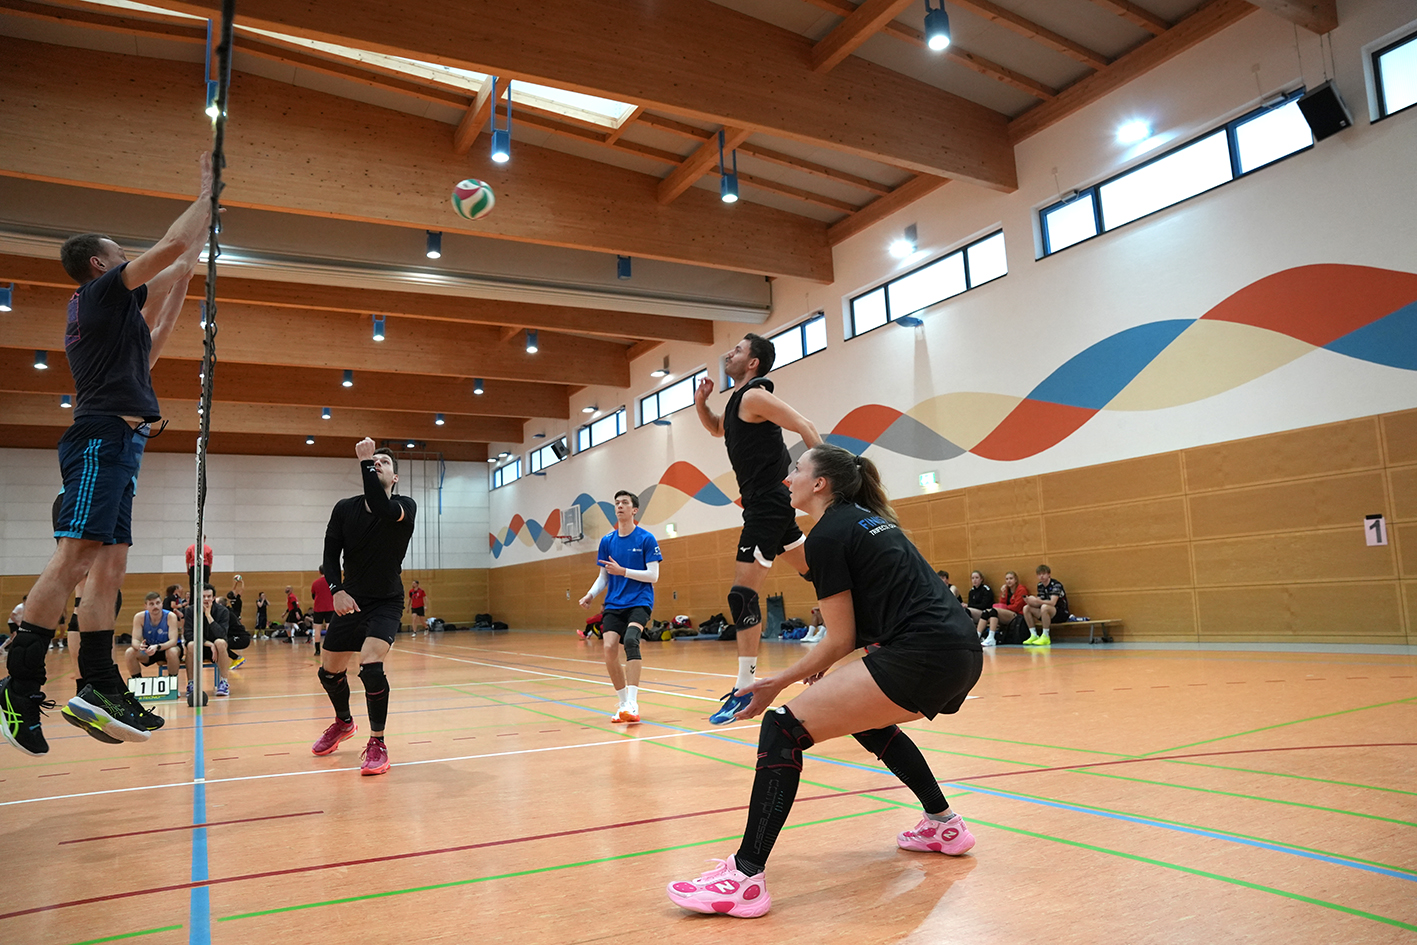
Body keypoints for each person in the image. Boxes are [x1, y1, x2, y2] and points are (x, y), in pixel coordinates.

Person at [666, 444, 982, 918]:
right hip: (958, 653)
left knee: (782, 727)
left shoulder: (828, 534)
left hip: (922, 655)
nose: (787, 477)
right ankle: (943, 825)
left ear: (819, 484)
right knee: (866, 721)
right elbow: (864, 621)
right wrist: (827, 663)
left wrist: (777, 681)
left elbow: (840, 638)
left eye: (796, 469)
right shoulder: (868, 521)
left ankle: (745, 879)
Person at [0, 153, 212, 755]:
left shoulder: (119, 330)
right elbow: (171, 248)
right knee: (74, 559)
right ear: (99, 264)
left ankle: (97, 683)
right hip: (98, 438)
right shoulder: (96, 295)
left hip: (124, 444)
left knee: (110, 569)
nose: (127, 257)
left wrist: (189, 266)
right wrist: (207, 193)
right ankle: (18, 688)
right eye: (120, 252)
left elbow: (162, 319)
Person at [694, 334, 822, 723]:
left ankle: (744, 687)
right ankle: (875, 625)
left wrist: (827, 481)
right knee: (820, 573)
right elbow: (717, 428)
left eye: (738, 350)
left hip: (768, 503)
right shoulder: (738, 401)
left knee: (742, 595)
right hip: (764, 504)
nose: (729, 353)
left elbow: (804, 425)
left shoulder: (754, 396)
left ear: (753, 363)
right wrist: (701, 403)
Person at [310, 439, 417, 777]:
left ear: (395, 478)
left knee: (371, 666)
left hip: (386, 601)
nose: (378, 464)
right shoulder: (345, 509)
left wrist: (365, 461)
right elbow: (330, 556)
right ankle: (343, 723)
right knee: (329, 673)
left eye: (384, 462)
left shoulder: (404, 506)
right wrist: (336, 591)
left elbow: (381, 507)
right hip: (351, 600)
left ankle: (377, 743)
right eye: (375, 461)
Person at [578, 490, 662, 724]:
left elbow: (653, 575)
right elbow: (603, 576)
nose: (619, 506)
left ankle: (633, 703)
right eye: (616, 503)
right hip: (614, 603)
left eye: (624, 502)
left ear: (634, 510)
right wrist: (590, 595)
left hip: (639, 601)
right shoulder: (607, 541)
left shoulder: (646, 539)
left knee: (632, 640)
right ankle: (623, 703)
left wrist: (623, 571)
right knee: (609, 648)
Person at [182, 584, 232, 698]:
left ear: (213, 598)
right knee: (191, 644)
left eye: (209, 596)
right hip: (199, 648)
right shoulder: (190, 611)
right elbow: (188, 635)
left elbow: (222, 634)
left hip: (217, 650)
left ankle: (224, 682)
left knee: (220, 642)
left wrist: (209, 616)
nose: (206, 599)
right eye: (203, 596)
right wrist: (208, 643)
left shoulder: (223, 611)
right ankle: (191, 683)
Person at [124, 592, 182, 679]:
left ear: (162, 604)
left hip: (168, 647)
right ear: (145, 606)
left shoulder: (170, 616)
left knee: (172, 652)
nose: (155, 606)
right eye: (151, 604)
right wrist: (140, 646)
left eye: (158, 603)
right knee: (129, 652)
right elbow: (135, 640)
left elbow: (173, 641)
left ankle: (172, 682)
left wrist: (157, 647)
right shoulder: (139, 617)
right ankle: (137, 681)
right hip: (150, 649)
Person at [1023, 565, 1069, 647]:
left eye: (1043, 574)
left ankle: (1046, 636)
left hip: (1060, 613)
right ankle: (1033, 635)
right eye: (1039, 574)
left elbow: (1052, 603)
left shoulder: (1056, 585)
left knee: (1044, 607)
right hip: (1046, 612)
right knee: (1026, 608)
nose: (1041, 576)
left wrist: (1037, 600)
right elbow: (1039, 603)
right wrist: (1030, 602)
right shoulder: (1040, 585)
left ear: (1049, 574)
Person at [964, 571, 995, 645]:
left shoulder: (986, 589)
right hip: (975, 612)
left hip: (986, 613)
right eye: (973, 578)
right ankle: (968, 633)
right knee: (965, 611)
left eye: (977, 578)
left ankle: (974, 634)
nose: (974, 580)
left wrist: (969, 606)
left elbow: (984, 605)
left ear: (981, 579)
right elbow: (970, 604)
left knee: (967, 610)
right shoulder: (971, 591)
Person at [311, 567, 335, 656]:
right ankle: (330, 648)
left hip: (318, 608)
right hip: (330, 607)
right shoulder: (331, 582)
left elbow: (313, 596)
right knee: (329, 627)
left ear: (319, 572)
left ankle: (317, 650)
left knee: (317, 629)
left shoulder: (315, 583)